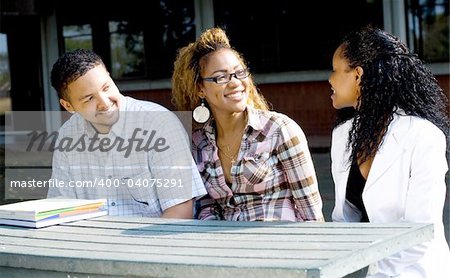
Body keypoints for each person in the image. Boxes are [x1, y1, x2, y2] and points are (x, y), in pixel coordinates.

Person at [329, 26, 450, 277]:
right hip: (377, 271)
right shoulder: (342, 137)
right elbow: (344, 222)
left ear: (358, 75)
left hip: (420, 271)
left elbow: (421, 229)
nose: (329, 79)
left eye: (335, 70)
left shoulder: (423, 135)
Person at [171, 27, 324, 222]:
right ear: (200, 89)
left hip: (280, 244)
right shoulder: (198, 143)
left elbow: (311, 213)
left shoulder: (279, 130)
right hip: (226, 247)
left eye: (239, 73)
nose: (235, 83)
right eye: (221, 77)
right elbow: (206, 207)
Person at [47, 49, 207, 218]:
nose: (104, 102)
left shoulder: (159, 124)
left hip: (152, 241)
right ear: (68, 106)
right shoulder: (67, 135)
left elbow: (180, 211)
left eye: (106, 87)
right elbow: (61, 208)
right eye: (89, 98)